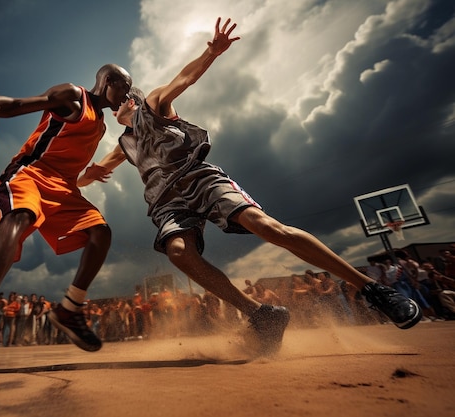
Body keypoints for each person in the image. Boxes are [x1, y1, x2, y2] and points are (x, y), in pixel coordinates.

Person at [78, 17, 422, 349]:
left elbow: (183, 78)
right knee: (179, 254)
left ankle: (374, 290)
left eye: (125, 97)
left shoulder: (154, 104)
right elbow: (91, 172)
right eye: (115, 101)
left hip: (199, 178)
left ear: (134, 99)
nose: (119, 103)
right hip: (169, 203)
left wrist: (211, 52)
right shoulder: (125, 143)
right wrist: (72, 179)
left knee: (266, 227)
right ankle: (261, 315)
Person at [0, 63, 132, 389]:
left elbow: (71, 169)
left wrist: (88, 177)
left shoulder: (102, 127)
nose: (127, 93)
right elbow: (14, 105)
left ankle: (69, 309)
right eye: (124, 85)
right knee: (19, 217)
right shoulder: (73, 96)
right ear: (108, 81)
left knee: (100, 232)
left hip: (65, 188)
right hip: (31, 174)